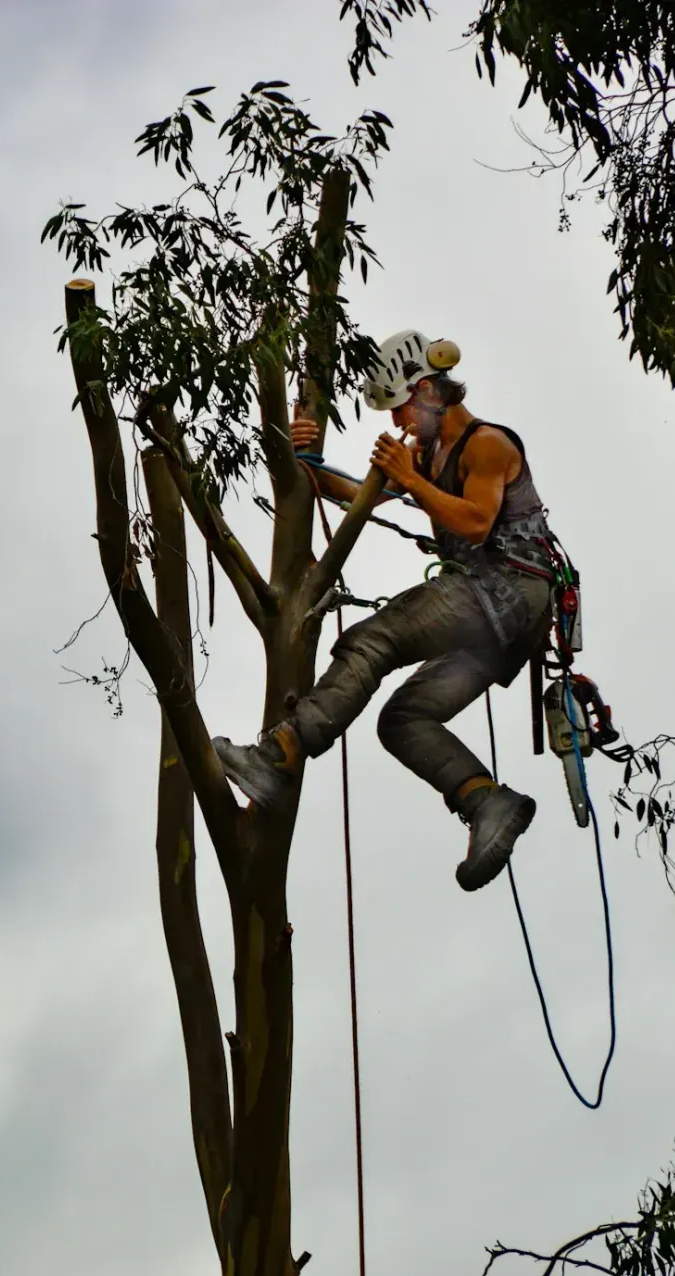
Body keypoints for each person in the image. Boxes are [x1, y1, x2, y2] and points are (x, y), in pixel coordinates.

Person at [213, 330, 558, 891]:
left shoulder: (487, 445)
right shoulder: (427, 457)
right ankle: (486, 801)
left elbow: (474, 522)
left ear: (427, 390)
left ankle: (279, 754)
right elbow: (360, 492)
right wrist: (301, 458)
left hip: (507, 590)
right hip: (496, 623)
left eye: (401, 407)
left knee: (375, 639)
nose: (399, 422)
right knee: (402, 720)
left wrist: (410, 477)